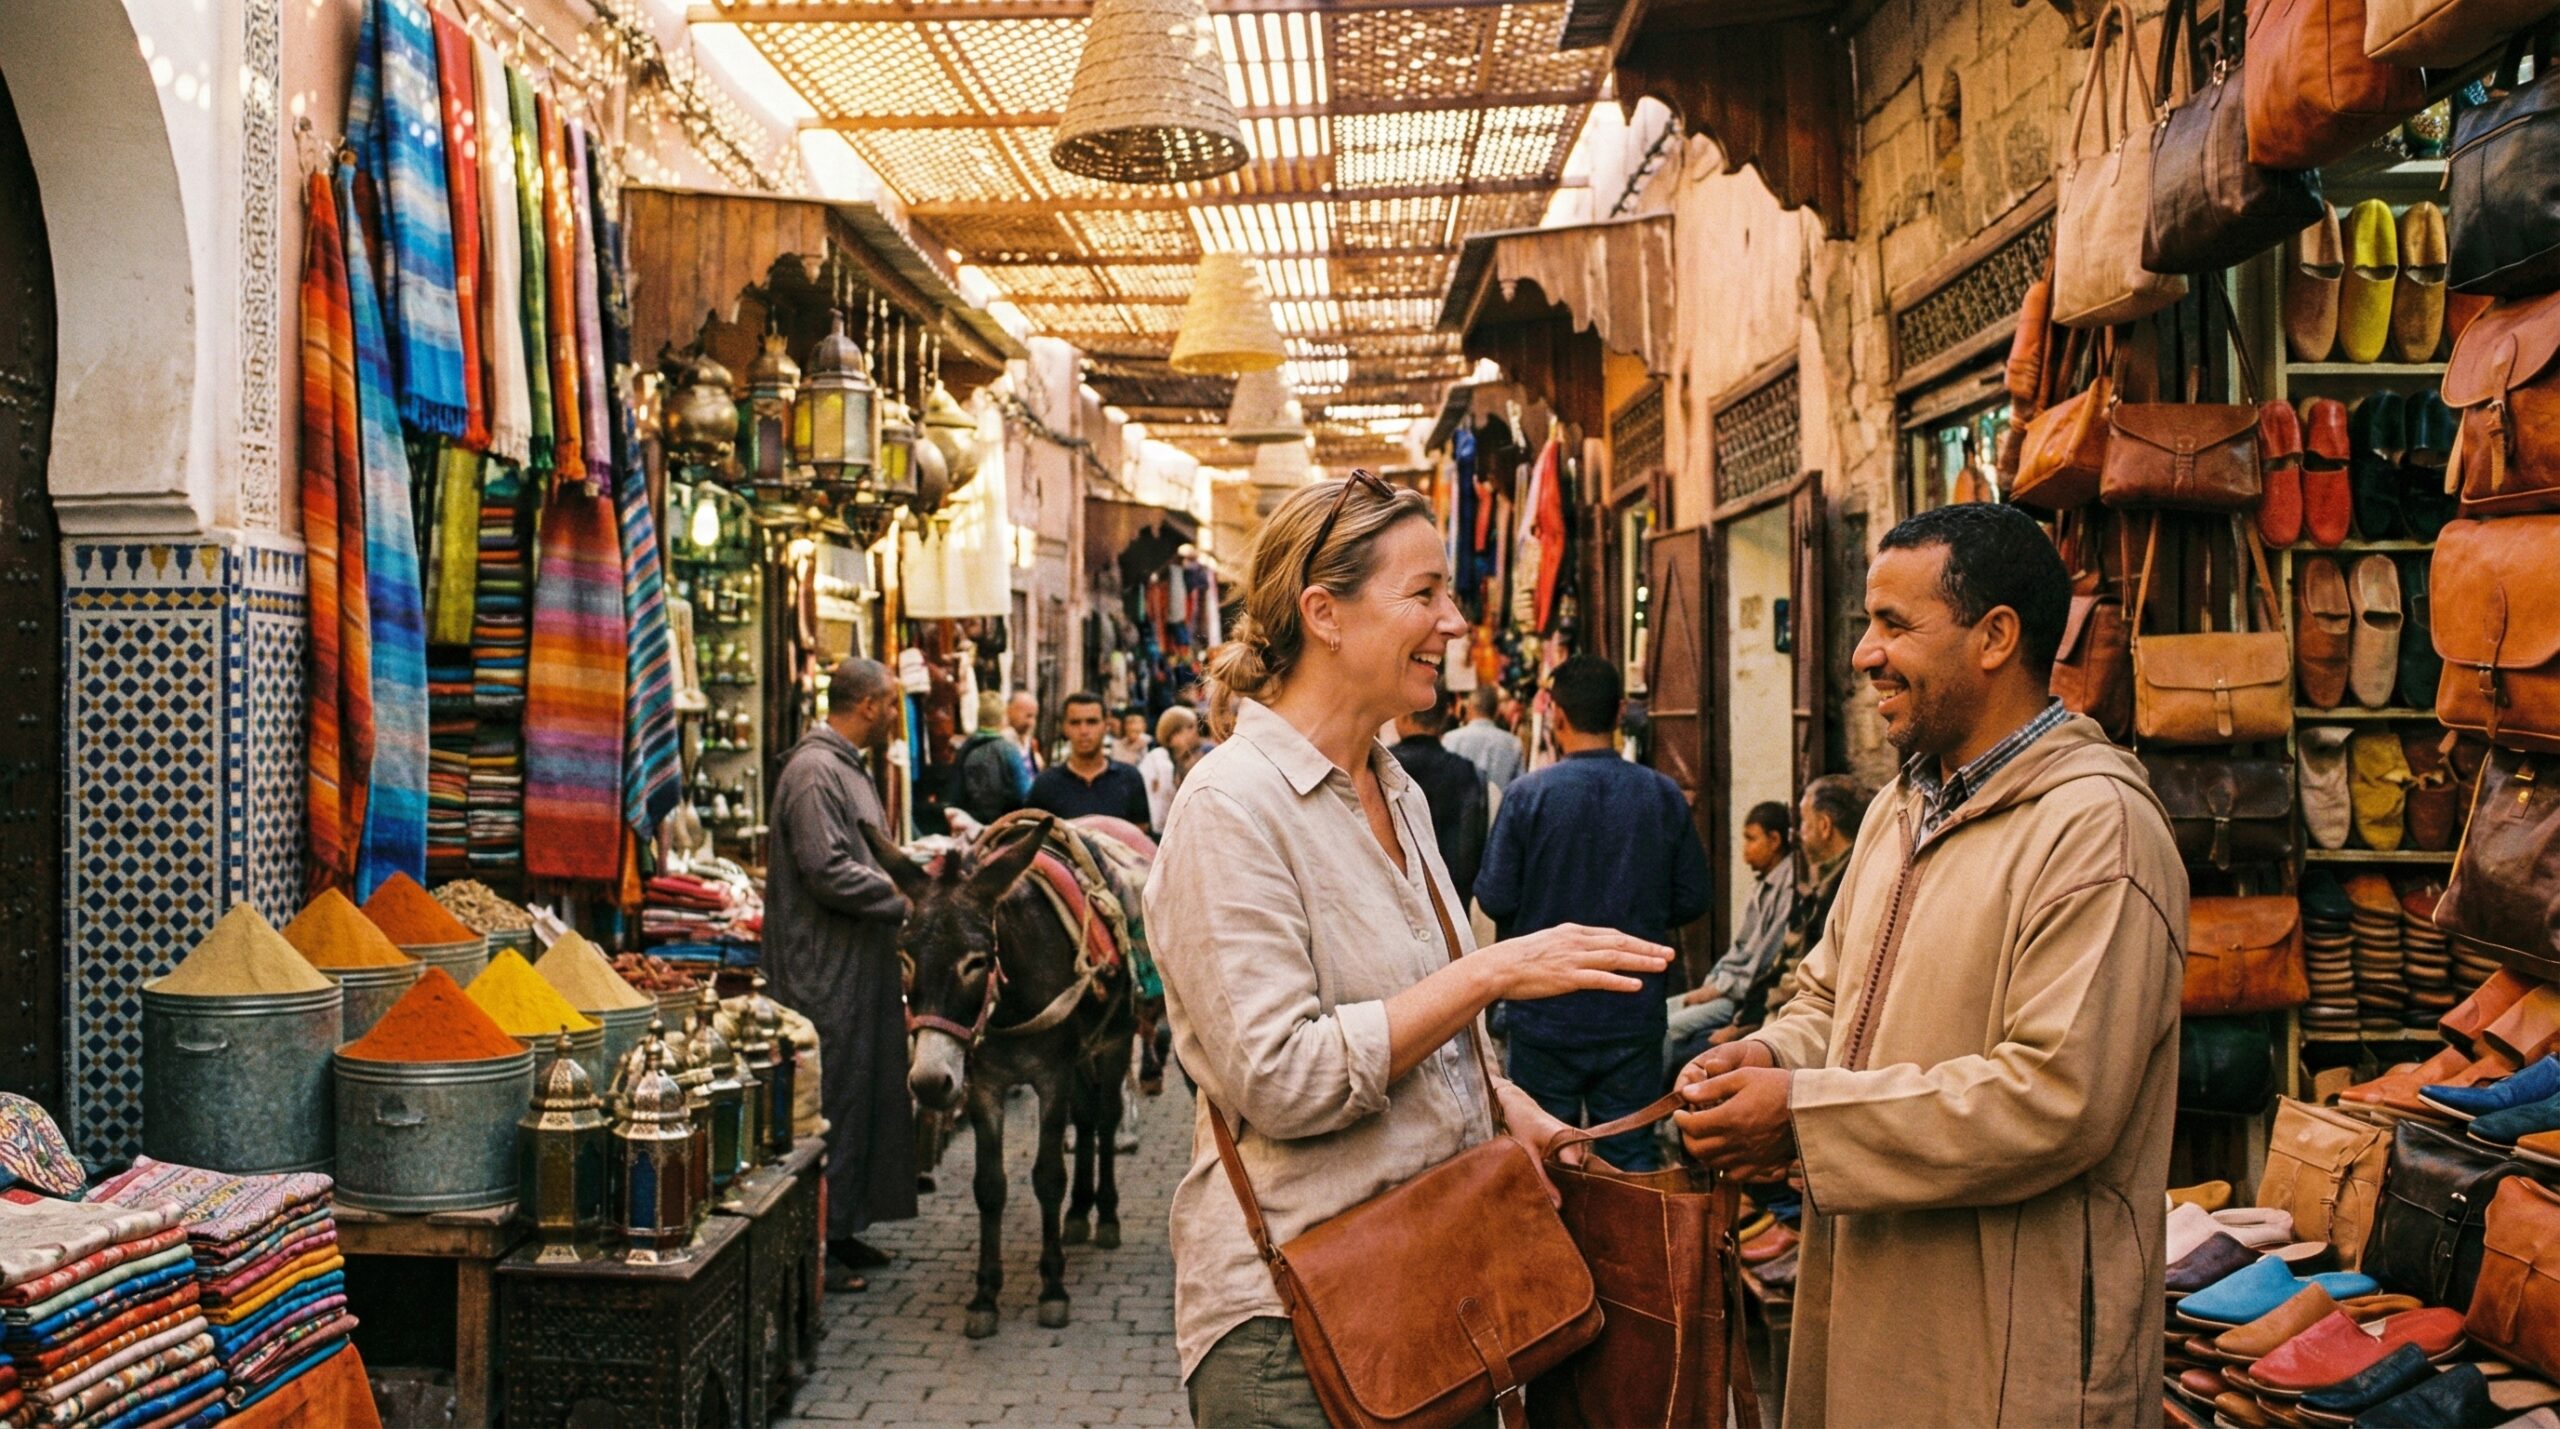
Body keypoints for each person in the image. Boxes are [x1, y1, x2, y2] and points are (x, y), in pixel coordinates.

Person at [1147, 474, 1671, 1426]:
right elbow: (1279, 1078)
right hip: (1298, 1326)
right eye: (1425, 594)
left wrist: (1519, 1115)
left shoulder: (1401, 788)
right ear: (1325, 614)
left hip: (1436, 1281)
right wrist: (1495, 970)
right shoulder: (1230, 807)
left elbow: (1425, 1046)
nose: (1455, 622)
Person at [1674, 502, 2186, 1427]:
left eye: (1894, 624)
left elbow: (2055, 1098)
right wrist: (1776, 1058)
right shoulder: (1900, 810)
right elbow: (1833, 997)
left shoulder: (2097, 829)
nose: (1865, 653)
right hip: (1878, 1297)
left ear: (1995, 637)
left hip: (2010, 1349)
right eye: (1869, 623)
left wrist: (1803, 1120)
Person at [1474, 653, 1710, 1172]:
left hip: (1545, 1015)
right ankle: (1629, 1253)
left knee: (1546, 1159)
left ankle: (1558, 1255)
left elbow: (1495, 898)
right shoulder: (1662, 795)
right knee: (1630, 1156)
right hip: (1632, 1009)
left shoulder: (1527, 796)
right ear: (1621, 711)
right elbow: (1693, 898)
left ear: (1556, 715)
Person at [764, 657, 920, 1294]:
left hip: (857, 960)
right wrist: (908, 895)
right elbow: (826, 869)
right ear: (867, 706)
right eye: (890, 703)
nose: (894, 715)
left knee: (859, 1089)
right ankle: (815, 1249)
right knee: (827, 1099)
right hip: (821, 965)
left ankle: (844, 1229)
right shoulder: (814, 773)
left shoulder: (845, 768)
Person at [1662, 800, 1793, 1075]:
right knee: (1660, 1011)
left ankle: (1655, 1105)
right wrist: (1711, 984)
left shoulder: (1787, 887)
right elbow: (1738, 949)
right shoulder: (1763, 885)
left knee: (1668, 1028)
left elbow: (1761, 961)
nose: (1745, 853)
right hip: (1726, 986)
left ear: (1775, 840)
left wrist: (1718, 989)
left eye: (1751, 839)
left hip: (1739, 997)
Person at [1385, 691, 1488, 904]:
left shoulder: (1381, 767)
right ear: (1443, 720)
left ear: (1403, 716)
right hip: (1450, 900)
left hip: (1394, 900)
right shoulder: (1466, 772)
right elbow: (1471, 844)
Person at [1028, 691, 1153, 826]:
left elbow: (1140, 838)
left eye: (1092, 722)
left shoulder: (1130, 779)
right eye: (1075, 723)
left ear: (1106, 725)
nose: (1084, 731)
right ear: (1065, 728)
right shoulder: (1046, 785)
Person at [949, 690, 1030, 828]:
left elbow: (955, 796)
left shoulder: (964, 750)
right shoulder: (1008, 750)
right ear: (1002, 717)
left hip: (970, 828)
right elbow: (1025, 794)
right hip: (1004, 829)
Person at [1139, 705, 1209, 832]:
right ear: (1173, 736)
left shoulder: (1204, 754)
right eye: (1189, 727)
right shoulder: (1159, 760)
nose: (1195, 731)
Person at [1442, 686, 1524, 792]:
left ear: (1469, 708)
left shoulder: (1450, 739)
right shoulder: (1513, 743)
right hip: (1501, 806)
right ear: (1496, 712)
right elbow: (1519, 788)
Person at [1005, 690, 1044, 776]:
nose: (1032, 722)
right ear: (1010, 711)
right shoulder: (1003, 742)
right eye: (1028, 716)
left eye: (1034, 717)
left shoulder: (1027, 740)